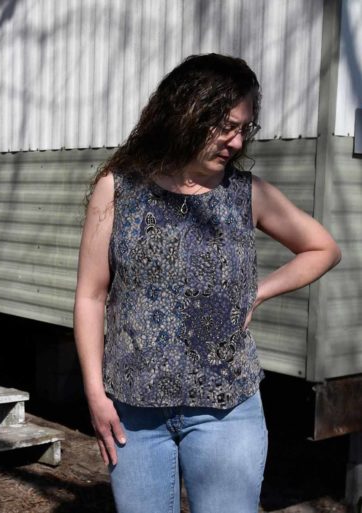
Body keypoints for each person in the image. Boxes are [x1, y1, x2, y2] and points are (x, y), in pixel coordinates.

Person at [74, 54, 341, 513]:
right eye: (226, 126)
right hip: (133, 414)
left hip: (227, 410)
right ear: (184, 113)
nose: (236, 141)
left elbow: (323, 248)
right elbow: (90, 295)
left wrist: (259, 291)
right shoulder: (118, 189)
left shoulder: (246, 194)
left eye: (244, 129)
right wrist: (95, 393)